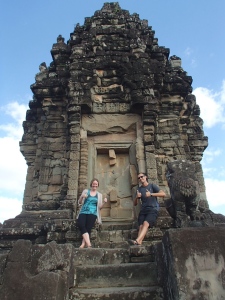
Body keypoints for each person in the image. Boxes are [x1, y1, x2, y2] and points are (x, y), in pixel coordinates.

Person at [129, 172, 166, 246]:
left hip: (153, 209)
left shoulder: (152, 186)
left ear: (146, 177)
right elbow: (135, 204)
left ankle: (137, 240)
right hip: (143, 210)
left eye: (142, 177)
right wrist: (137, 197)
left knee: (146, 223)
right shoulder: (139, 189)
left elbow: (163, 194)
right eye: (139, 178)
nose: (140, 178)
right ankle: (139, 242)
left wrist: (151, 194)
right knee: (141, 226)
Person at [77, 178, 107, 248]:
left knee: (88, 228)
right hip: (83, 211)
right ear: (91, 184)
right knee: (81, 225)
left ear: (98, 185)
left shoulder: (99, 195)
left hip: (93, 213)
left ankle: (83, 244)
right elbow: (79, 202)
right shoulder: (85, 191)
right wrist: (82, 196)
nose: (95, 185)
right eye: (94, 184)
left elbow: (99, 207)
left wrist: (104, 203)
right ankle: (89, 244)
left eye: (96, 184)